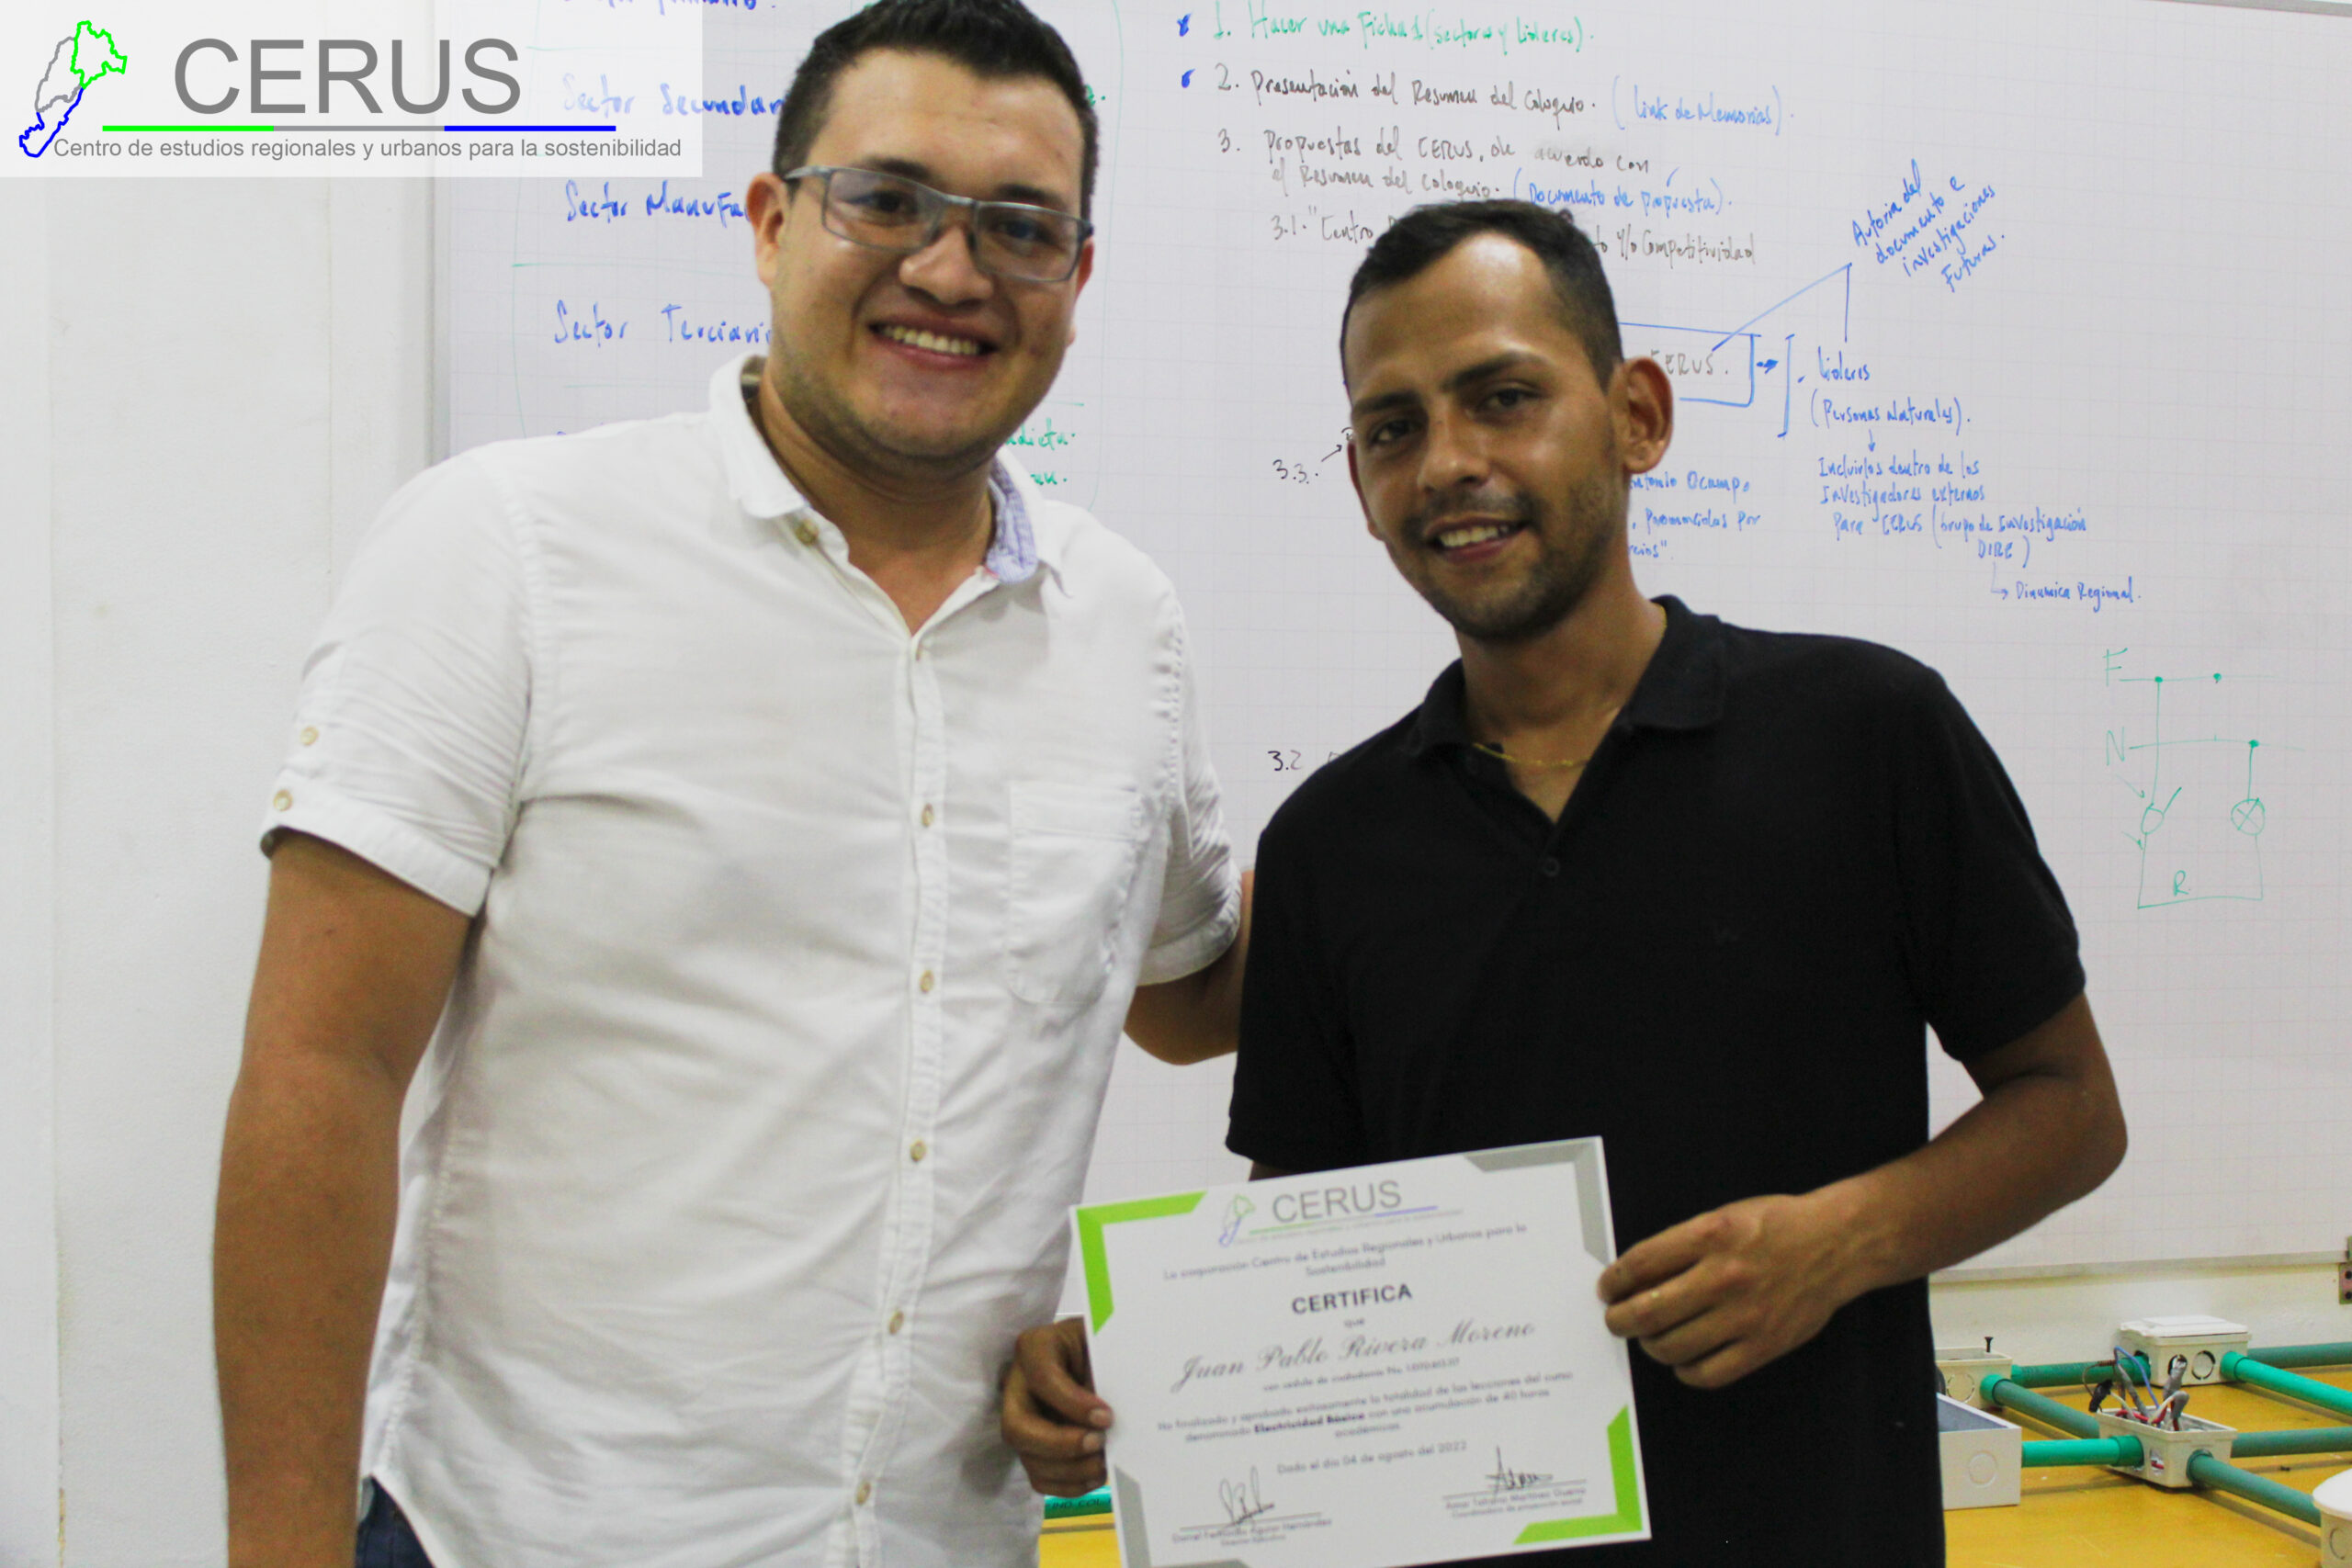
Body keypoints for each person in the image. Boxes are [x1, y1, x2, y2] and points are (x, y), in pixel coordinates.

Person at [213, 4, 1248, 1566]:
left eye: (1020, 228)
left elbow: (1183, 993)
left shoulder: (1125, 623)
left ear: (1077, 278)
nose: (950, 270)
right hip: (530, 1538)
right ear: (772, 223)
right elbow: (321, 1072)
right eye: (886, 200)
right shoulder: (509, 548)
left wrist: (1498, 819)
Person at [1000, 200, 2127, 1565]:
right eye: (1393, 428)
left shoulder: (1868, 735)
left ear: (1637, 416)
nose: (1447, 464)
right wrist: (1146, 1361)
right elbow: (1302, 1244)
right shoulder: (1334, 845)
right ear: (1358, 484)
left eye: (1504, 397)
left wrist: (1846, 1240)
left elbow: (2071, 1109)